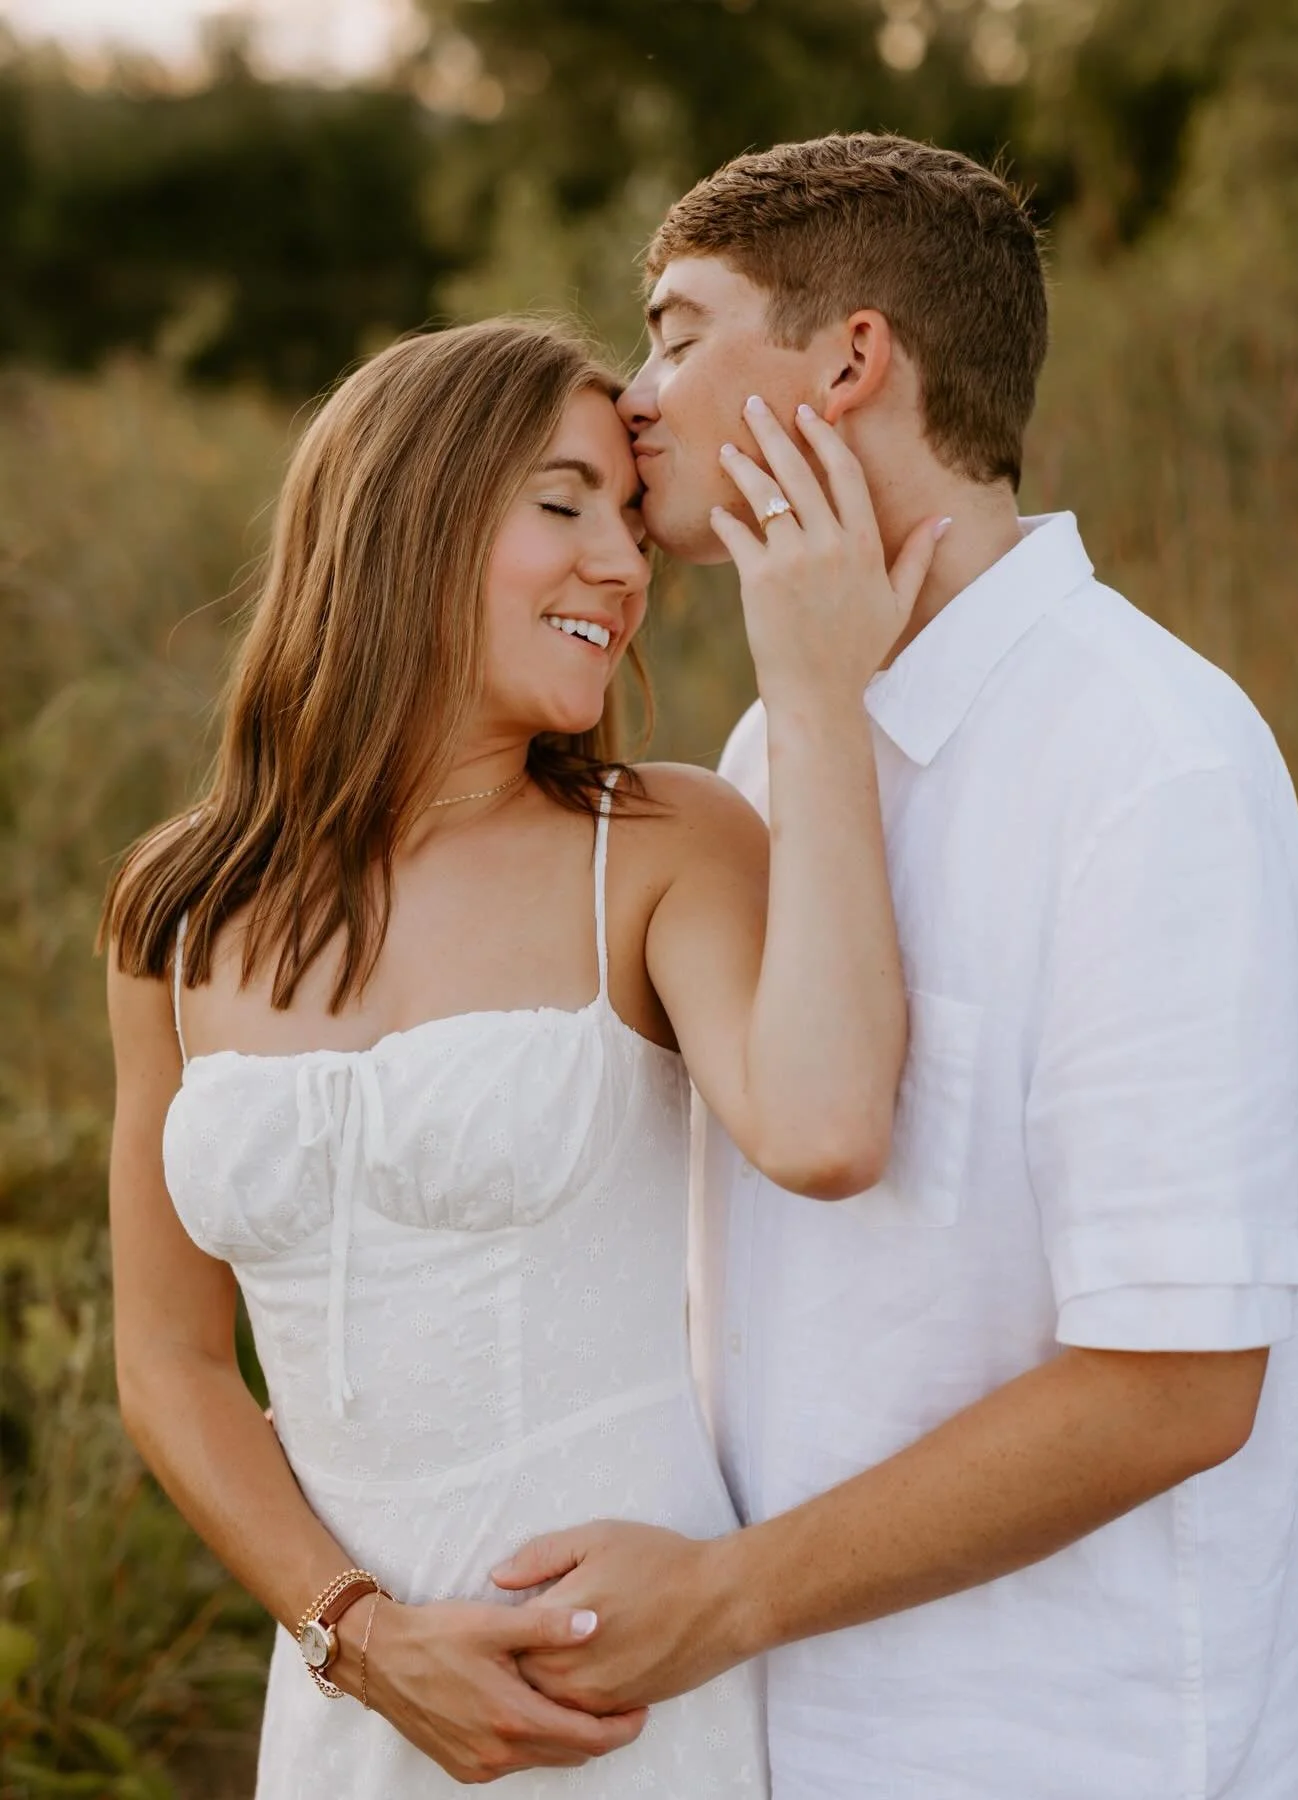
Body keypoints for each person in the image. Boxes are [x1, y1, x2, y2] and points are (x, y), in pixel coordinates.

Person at [493, 134, 1298, 1800]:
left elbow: (1174, 1392)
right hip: (778, 1738)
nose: (634, 394)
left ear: (853, 357)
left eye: (678, 329)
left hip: (1065, 1746)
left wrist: (725, 1600)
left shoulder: (1149, 757)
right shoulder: (770, 736)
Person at [102, 317, 949, 1793]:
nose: (623, 569)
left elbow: (823, 1131)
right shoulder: (182, 907)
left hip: (615, 1686)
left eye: (628, 520)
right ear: (402, 521)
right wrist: (353, 1633)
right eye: (563, 506)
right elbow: (171, 1361)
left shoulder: (660, 844)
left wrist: (816, 693)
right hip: (352, 1709)